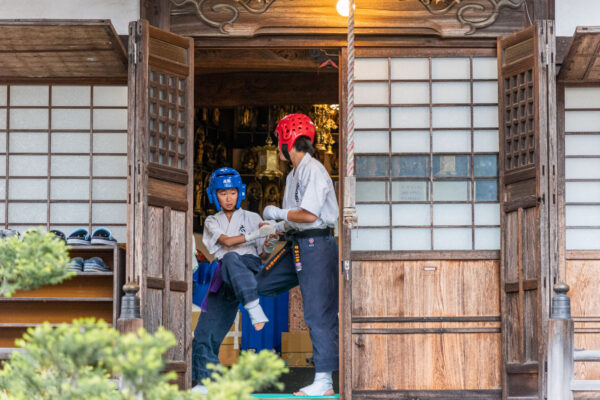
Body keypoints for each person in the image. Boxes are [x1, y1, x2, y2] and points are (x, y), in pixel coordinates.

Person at [257, 113, 339, 396]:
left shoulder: (313, 169)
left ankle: (325, 380)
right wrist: (276, 227)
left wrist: (278, 213)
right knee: (260, 282)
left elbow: (310, 214)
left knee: (318, 311)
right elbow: (295, 218)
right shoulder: (294, 173)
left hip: (317, 245)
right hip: (296, 243)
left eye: (280, 139)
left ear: (286, 139)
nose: (279, 146)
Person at [191, 167, 278, 393]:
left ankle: (253, 307)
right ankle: (208, 383)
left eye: (232, 192)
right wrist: (253, 235)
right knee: (202, 335)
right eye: (222, 193)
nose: (228, 198)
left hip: (248, 268)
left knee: (232, 259)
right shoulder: (211, 221)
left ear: (240, 192)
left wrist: (268, 240)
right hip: (224, 275)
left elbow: (263, 253)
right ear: (214, 195)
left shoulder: (253, 217)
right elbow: (227, 242)